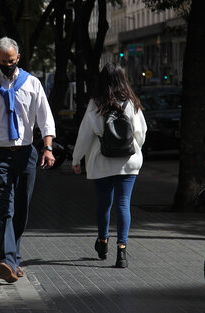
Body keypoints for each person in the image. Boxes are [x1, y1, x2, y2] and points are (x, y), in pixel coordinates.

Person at [0, 37, 56, 283]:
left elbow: (45, 119)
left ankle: (13, 259)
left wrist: (48, 148)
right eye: (3, 61)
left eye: (12, 60)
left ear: (18, 57)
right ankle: (6, 260)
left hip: (26, 154)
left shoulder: (32, 84)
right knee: (3, 208)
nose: (8, 64)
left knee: (21, 211)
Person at [71, 63, 147, 268]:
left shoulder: (95, 104)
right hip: (128, 161)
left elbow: (85, 135)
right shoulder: (131, 103)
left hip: (101, 161)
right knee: (124, 203)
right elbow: (141, 133)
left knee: (104, 203)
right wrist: (132, 147)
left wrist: (76, 159)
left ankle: (103, 241)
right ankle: (122, 251)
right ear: (123, 79)